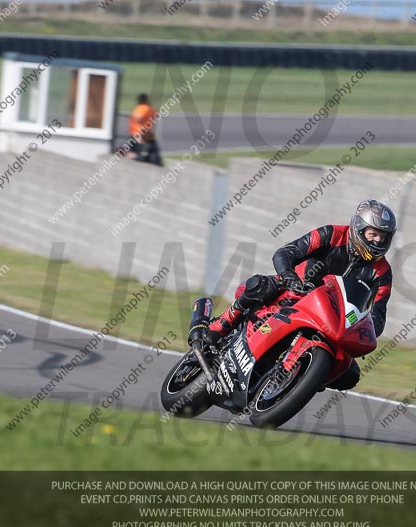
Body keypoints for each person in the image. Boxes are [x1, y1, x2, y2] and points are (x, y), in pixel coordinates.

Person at [206, 200, 396, 391]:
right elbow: (285, 253)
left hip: (333, 320)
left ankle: (301, 381)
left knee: (350, 375)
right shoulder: (331, 234)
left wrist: (361, 327)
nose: (377, 241)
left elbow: (378, 318)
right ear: (359, 228)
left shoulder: (382, 272)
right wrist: (289, 277)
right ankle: (223, 322)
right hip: (297, 292)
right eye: (373, 234)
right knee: (262, 285)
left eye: (383, 237)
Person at [128, 94, 162, 166]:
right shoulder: (150, 108)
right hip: (147, 134)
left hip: (137, 134)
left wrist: (139, 133)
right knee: (147, 151)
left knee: (134, 152)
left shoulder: (140, 108)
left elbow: (139, 117)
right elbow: (156, 116)